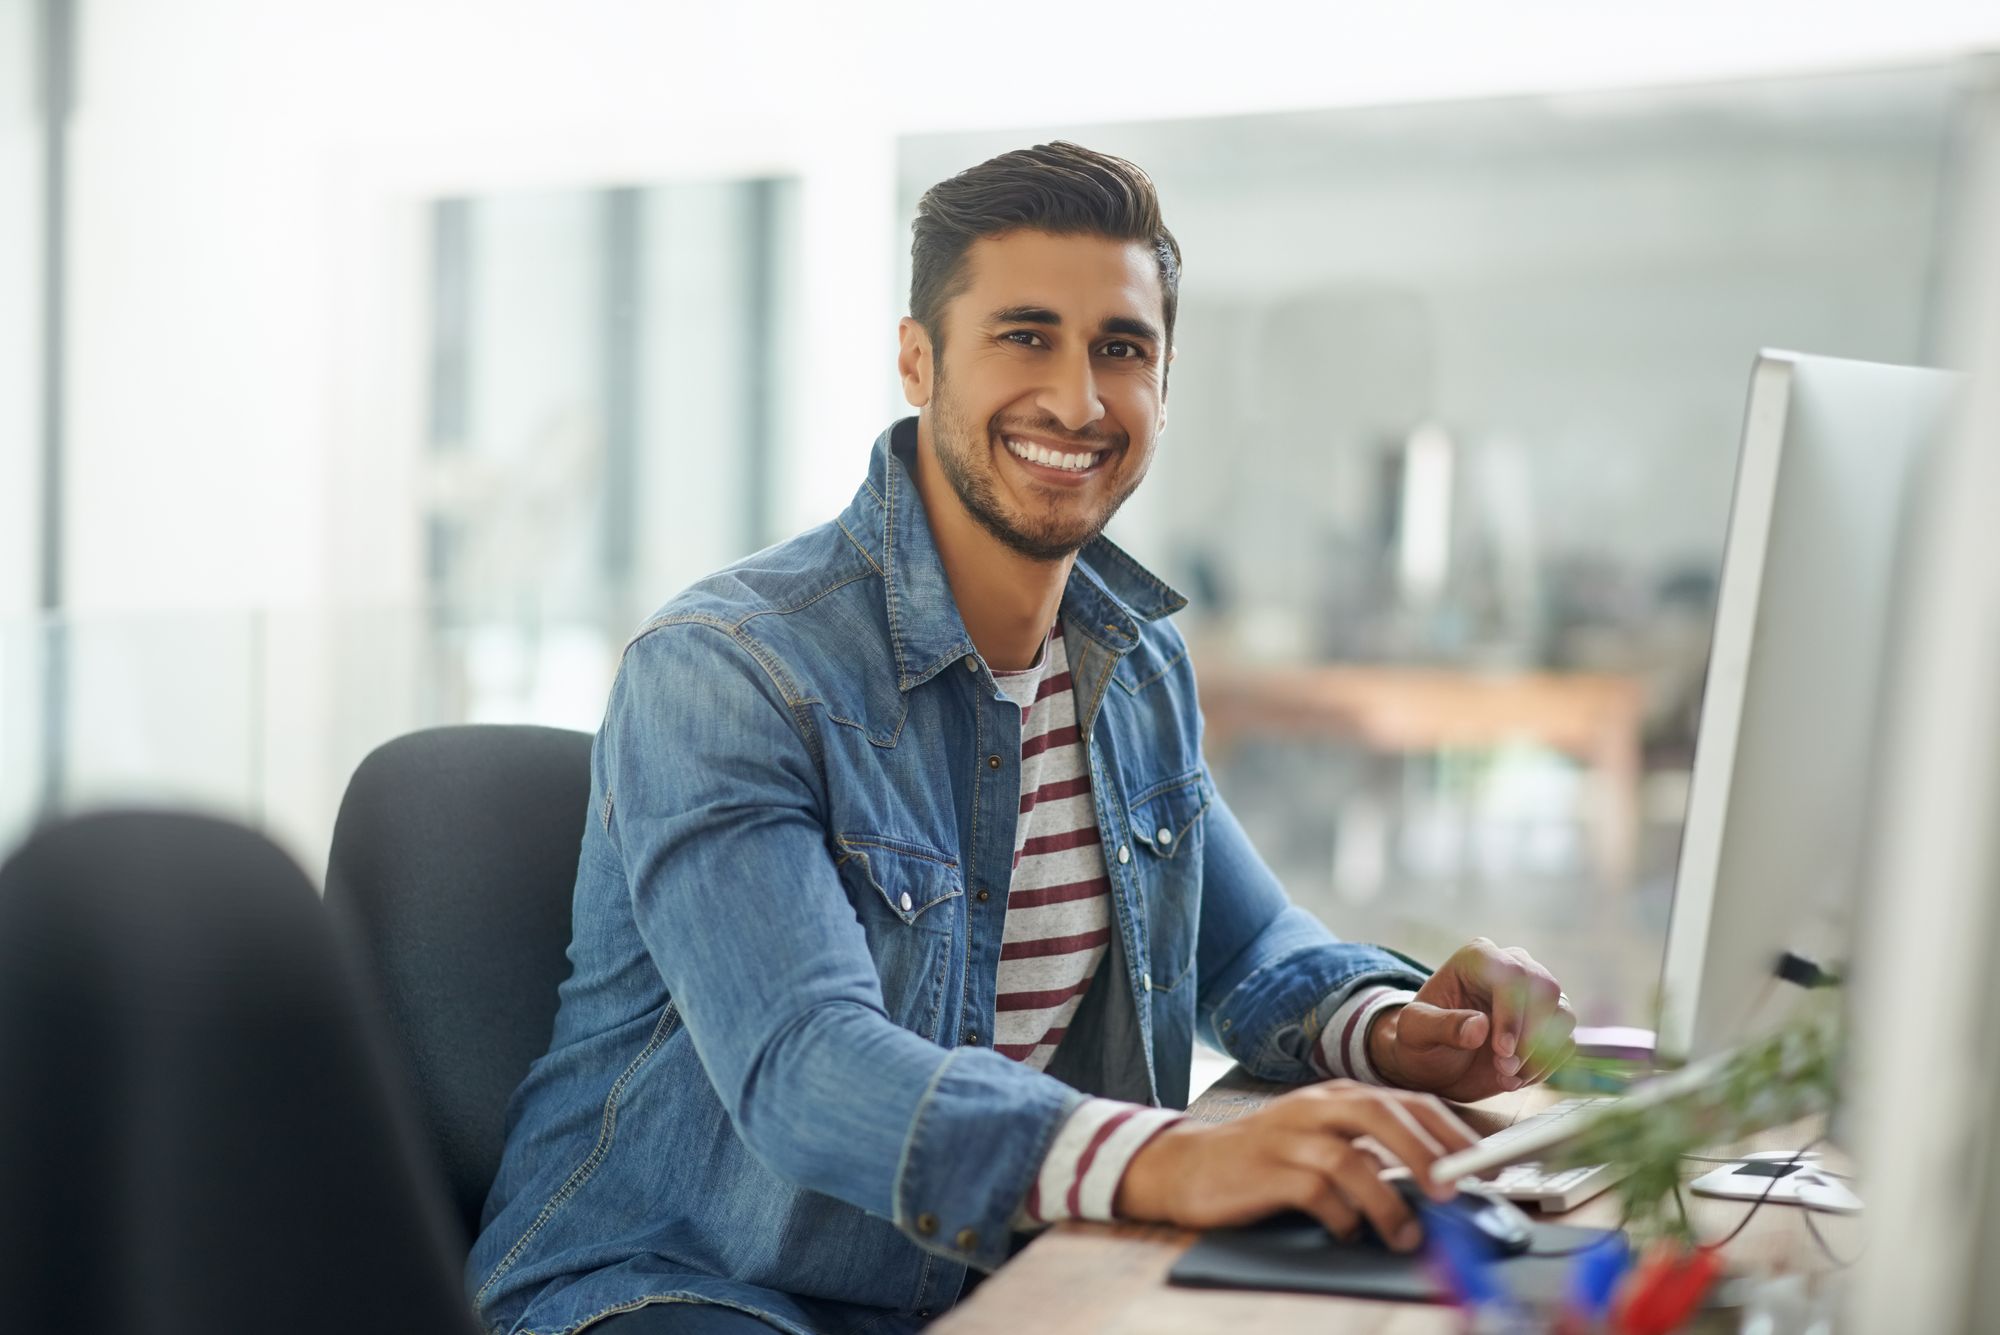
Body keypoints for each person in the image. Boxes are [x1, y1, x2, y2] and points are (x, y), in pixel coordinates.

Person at [469, 142, 1576, 1335]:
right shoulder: (729, 669)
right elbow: (806, 1065)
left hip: (984, 1286)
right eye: (1023, 335)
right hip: (685, 1283)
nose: (1077, 398)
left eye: (1121, 349)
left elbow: (1244, 948)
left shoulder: (1130, 659)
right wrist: (1170, 1161)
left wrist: (1405, 1032)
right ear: (915, 359)